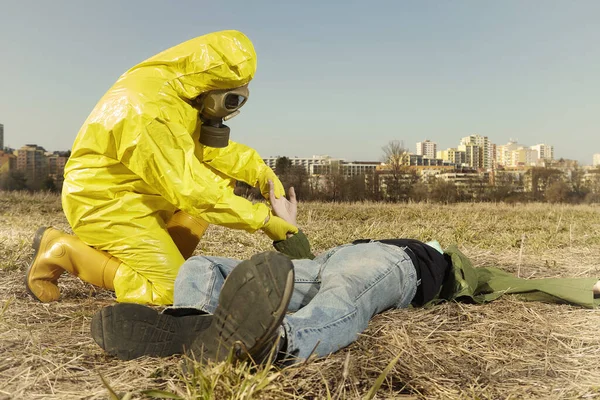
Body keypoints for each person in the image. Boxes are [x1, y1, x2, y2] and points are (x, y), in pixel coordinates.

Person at [90, 181, 600, 364]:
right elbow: (290, 273)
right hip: (330, 258)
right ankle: (190, 322)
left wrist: (588, 289)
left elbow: (526, 284)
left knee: (347, 294)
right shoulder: (360, 248)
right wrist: (289, 230)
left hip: (395, 269)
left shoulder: (447, 263)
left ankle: (277, 343)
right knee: (207, 264)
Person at [25, 30, 298, 306]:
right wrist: (264, 220)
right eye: (231, 99)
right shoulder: (150, 111)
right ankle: (61, 250)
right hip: (103, 202)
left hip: (141, 192)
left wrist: (267, 182)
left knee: (219, 178)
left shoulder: (183, 91)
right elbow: (192, 190)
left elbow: (212, 153)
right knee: (176, 292)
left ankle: (166, 260)